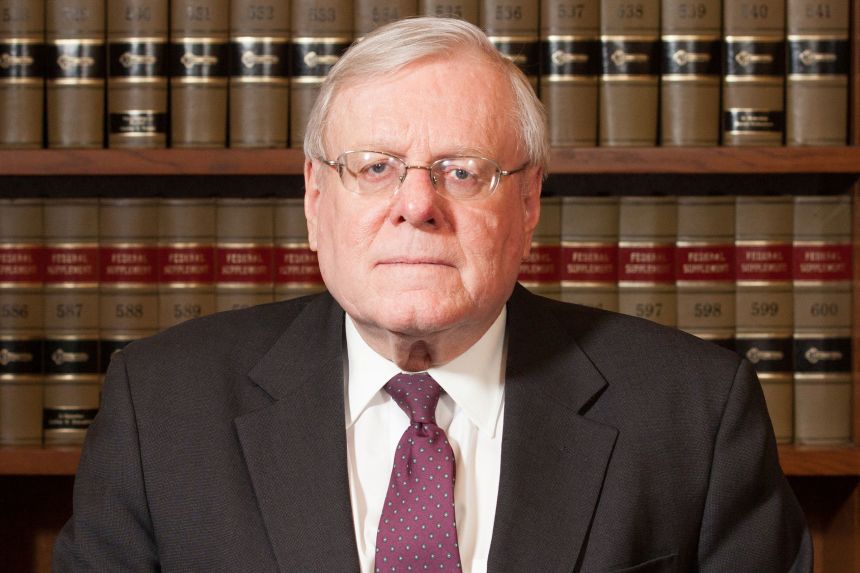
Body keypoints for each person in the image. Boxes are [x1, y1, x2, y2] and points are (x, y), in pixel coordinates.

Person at [54, 16, 811, 573]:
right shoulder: (161, 407)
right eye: (375, 167)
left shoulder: (694, 413)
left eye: (462, 170)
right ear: (315, 198)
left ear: (528, 203)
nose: (417, 205)